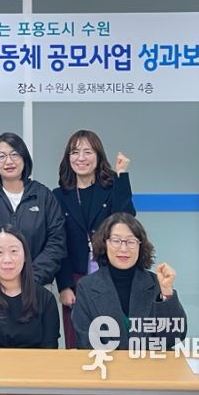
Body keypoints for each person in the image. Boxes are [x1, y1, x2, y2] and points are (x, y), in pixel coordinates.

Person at [53, 130, 135, 348]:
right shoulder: (59, 196)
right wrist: (64, 286)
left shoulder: (111, 189)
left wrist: (121, 175)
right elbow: (58, 244)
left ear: (98, 156)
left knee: (114, 341)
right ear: (68, 158)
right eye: (75, 152)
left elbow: (127, 220)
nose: (81, 158)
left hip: (110, 275)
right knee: (77, 342)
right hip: (76, 279)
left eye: (88, 152)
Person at [72, 213, 187, 350]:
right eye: (116, 241)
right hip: (105, 363)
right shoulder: (86, 287)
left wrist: (167, 292)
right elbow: (85, 342)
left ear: (140, 246)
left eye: (131, 242)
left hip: (150, 363)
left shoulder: (156, 283)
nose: (123, 248)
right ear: (105, 244)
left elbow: (173, 338)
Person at [0, 132, 66, 286]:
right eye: (1, 156)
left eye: (15, 154)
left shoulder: (43, 195)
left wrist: (32, 277)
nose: (9, 161)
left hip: (37, 284)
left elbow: (57, 241)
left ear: (24, 158)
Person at [0, 224, 60, 348]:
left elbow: (50, 351)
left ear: (25, 256)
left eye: (14, 251)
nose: (7, 260)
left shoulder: (46, 299)